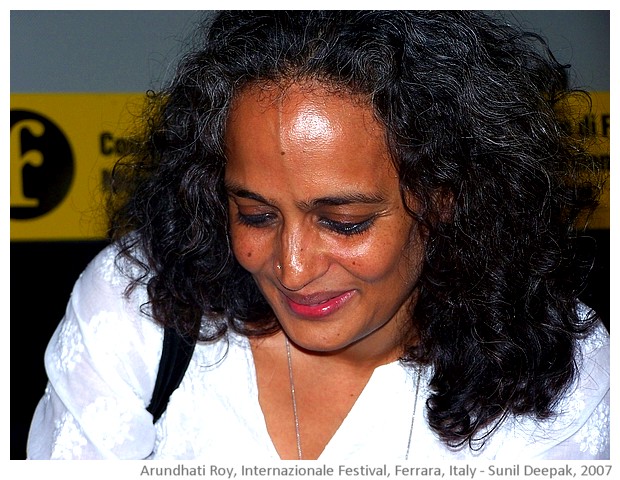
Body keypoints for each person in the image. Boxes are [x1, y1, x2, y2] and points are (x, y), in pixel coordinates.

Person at [27, 11, 609, 460]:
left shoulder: (561, 372)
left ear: (444, 196)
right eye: (256, 215)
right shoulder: (138, 305)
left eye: (343, 222)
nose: (293, 268)